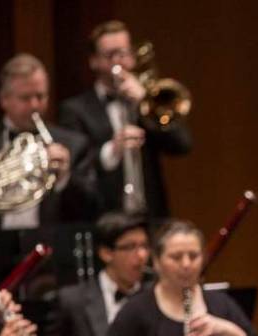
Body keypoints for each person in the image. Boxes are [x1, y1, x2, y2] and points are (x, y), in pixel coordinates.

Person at [0, 54, 99, 287]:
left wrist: (65, 177)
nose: (35, 105)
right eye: (26, 98)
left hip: (51, 254)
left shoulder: (74, 144)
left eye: (41, 96)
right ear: (4, 100)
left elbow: (93, 208)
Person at [101, 219, 258, 336]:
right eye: (176, 257)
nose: (186, 264)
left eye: (193, 256)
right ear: (157, 262)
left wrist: (226, 330)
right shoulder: (137, 309)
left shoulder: (221, 303)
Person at [59, 20, 192, 218]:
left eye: (124, 53)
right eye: (110, 55)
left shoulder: (145, 101)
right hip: (104, 220)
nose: (119, 62)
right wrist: (112, 150)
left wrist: (143, 100)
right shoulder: (76, 110)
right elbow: (75, 170)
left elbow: (182, 144)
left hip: (152, 217)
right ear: (94, 61)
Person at [42, 212, 151, 336]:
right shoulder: (72, 301)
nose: (142, 255)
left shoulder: (155, 296)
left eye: (145, 246)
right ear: (106, 253)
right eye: (130, 247)